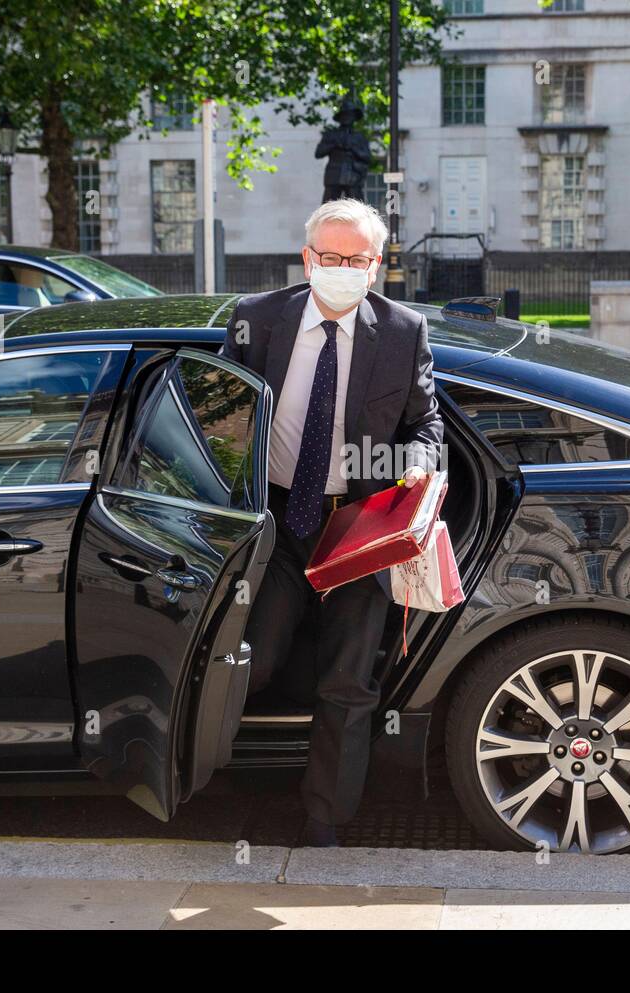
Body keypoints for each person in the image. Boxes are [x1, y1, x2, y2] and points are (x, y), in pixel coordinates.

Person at [221, 199, 443, 847]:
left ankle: (325, 818)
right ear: (306, 258)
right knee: (248, 662)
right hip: (278, 519)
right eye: (329, 257)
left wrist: (420, 468)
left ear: (375, 267)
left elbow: (426, 421)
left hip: (358, 526)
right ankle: (214, 775)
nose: (341, 268)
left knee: (347, 680)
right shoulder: (256, 321)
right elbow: (219, 411)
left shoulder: (403, 332)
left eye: (356, 260)